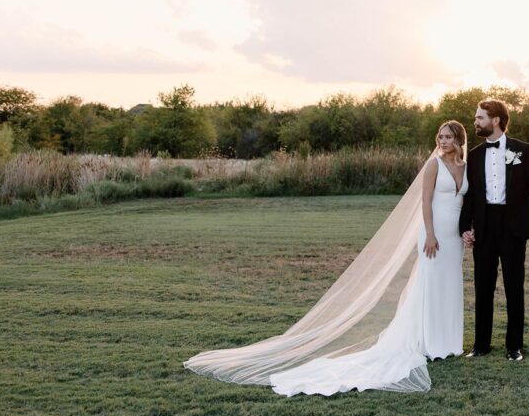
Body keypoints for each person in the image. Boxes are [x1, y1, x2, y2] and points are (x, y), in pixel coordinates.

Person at [183, 121, 469, 396]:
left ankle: (449, 343)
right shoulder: (433, 165)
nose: (442, 141)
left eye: (447, 137)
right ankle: (430, 343)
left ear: (459, 139)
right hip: (433, 235)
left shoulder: (465, 167)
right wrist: (430, 234)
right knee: (430, 286)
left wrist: (468, 232)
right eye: (440, 136)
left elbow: (469, 204)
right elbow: (424, 202)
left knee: (450, 286)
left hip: (455, 237)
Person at [459, 99, 529, 361]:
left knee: (513, 286)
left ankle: (514, 346)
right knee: (483, 287)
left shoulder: (522, 150)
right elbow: (471, 196)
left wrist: (525, 220)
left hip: (513, 227)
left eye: (479, 118)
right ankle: (481, 344)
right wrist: (465, 226)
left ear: (495, 120)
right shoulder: (472, 156)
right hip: (484, 225)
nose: (475, 122)